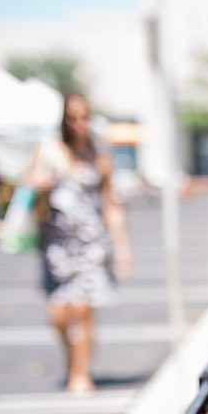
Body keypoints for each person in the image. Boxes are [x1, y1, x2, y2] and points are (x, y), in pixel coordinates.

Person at [26, 94, 133, 394]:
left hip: (91, 244)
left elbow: (112, 204)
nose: (78, 124)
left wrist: (122, 247)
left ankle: (80, 372)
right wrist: (38, 185)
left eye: (84, 117)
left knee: (84, 310)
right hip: (57, 246)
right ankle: (72, 357)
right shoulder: (49, 152)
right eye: (72, 118)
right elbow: (26, 186)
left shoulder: (100, 157)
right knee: (59, 314)